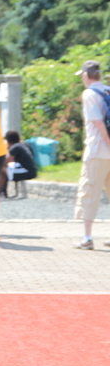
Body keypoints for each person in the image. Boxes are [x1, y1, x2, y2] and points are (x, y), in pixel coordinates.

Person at [74, 60, 110, 250]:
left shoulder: (89, 94)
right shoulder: (108, 90)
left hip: (97, 150)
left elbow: (97, 121)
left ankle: (87, 237)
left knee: (89, 192)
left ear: (86, 75)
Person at [0, 130, 37, 197]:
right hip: (31, 171)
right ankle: (1, 192)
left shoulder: (15, 147)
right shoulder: (23, 145)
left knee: (1, 169)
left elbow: (6, 161)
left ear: (8, 140)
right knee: (4, 169)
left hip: (26, 172)